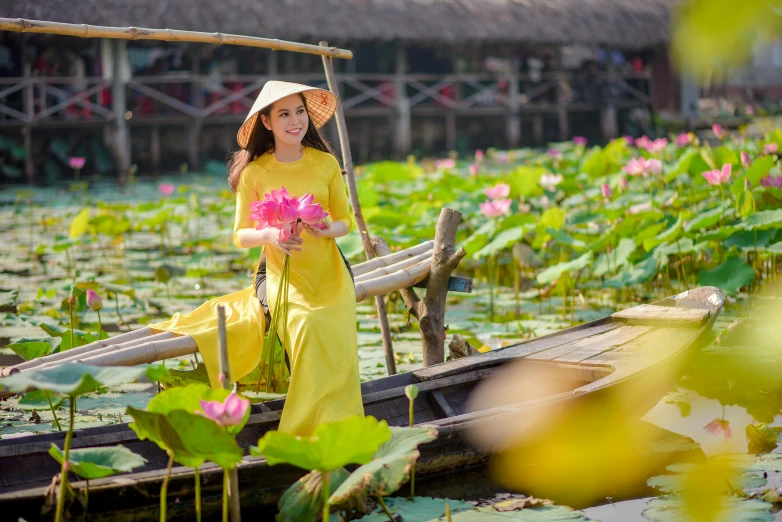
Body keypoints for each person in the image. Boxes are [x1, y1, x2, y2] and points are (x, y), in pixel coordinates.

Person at [148, 81, 363, 436]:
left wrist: (326, 229)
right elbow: (240, 234)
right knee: (308, 326)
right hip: (280, 275)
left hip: (330, 273)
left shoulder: (325, 163)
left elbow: (347, 221)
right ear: (266, 122)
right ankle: (306, 428)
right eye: (283, 114)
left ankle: (342, 424)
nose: (295, 121)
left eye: (299, 112)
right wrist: (271, 235)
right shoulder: (255, 173)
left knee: (335, 329)